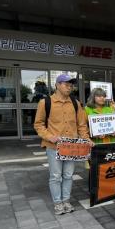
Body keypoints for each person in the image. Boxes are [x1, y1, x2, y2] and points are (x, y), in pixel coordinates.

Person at [34, 74, 92, 215]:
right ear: (57, 85)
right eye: (66, 84)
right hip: (54, 147)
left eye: (71, 84)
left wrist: (86, 139)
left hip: (71, 147)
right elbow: (38, 124)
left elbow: (82, 125)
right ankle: (58, 203)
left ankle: (66, 200)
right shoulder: (45, 103)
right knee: (55, 176)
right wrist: (50, 137)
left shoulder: (75, 103)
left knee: (68, 175)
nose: (69, 87)